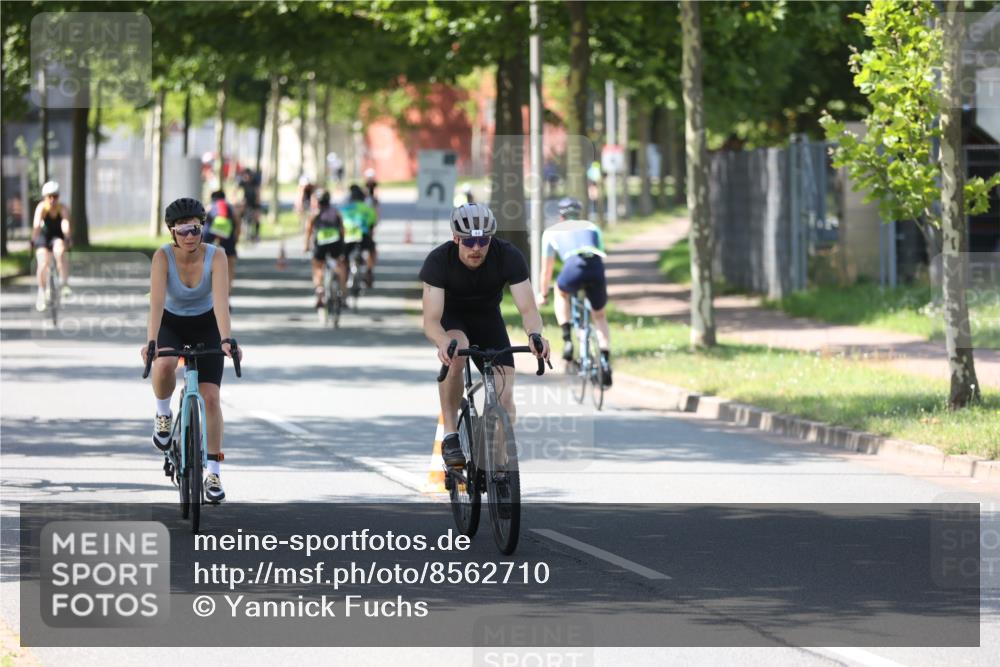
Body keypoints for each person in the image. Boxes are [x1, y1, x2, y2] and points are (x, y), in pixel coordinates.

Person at [420, 202, 551, 467]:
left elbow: (528, 309)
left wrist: (535, 335)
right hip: (453, 320)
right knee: (457, 353)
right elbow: (431, 321)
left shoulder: (507, 255)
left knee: (505, 399)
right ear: (456, 238)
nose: (477, 248)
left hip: (488, 320)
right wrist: (443, 342)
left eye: (483, 240)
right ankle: (451, 435)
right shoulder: (438, 261)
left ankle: (499, 467)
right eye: (469, 241)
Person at [141, 197, 241, 503]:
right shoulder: (162, 258)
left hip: (207, 324)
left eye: (195, 229)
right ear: (172, 232)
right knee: (164, 363)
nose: (189, 236)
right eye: (183, 230)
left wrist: (227, 340)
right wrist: (151, 342)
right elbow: (156, 304)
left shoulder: (217, 256)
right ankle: (163, 415)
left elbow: (222, 303)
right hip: (171, 322)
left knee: (211, 398)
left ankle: (213, 472)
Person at [537, 197, 612, 387]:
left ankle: (567, 338)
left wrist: (543, 294)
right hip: (595, 266)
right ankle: (605, 360)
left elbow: (546, 271)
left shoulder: (551, 232)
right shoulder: (592, 227)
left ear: (561, 216)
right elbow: (600, 252)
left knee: (561, 293)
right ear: (578, 214)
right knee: (600, 317)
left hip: (573, 265)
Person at [31, 181, 72, 312]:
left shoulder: (62, 208)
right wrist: (33, 240)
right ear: (45, 197)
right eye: (49, 196)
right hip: (43, 237)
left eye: (55, 196)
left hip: (56, 237)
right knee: (43, 262)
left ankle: (64, 283)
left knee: (60, 253)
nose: (52, 199)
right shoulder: (42, 208)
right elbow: (36, 225)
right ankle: (41, 291)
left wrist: (67, 237)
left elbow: (65, 224)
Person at [304, 189, 347, 309]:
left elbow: (308, 231)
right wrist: (342, 243)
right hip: (335, 242)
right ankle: (343, 296)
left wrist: (306, 245)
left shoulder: (314, 214)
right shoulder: (336, 212)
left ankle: (319, 292)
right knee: (340, 266)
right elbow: (342, 229)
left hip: (321, 242)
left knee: (317, 267)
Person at [341, 184, 379, 288]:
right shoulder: (367, 208)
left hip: (348, 237)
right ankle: (369, 271)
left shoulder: (344, 208)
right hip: (362, 235)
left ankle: (343, 276)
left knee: (343, 258)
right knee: (372, 249)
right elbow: (373, 222)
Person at [202, 190, 240, 295]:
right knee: (230, 262)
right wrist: (236, 238)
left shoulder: (209, 206)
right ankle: (228, 290)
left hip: (209, 235)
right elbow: (237, 222)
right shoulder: (229, 207)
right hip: (227, 235)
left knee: (204, 261)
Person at [237, 168, 261, 242]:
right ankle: (240, 230)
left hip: (254, 203)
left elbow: (258, 193)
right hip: (245, 202)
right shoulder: (242, 182)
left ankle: (256, 234)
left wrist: (257, 205)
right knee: (238, 214)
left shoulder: (255, 182)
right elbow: (236, 190)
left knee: (256, 218)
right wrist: (238, 200)